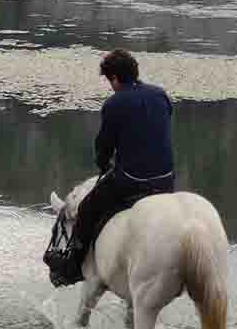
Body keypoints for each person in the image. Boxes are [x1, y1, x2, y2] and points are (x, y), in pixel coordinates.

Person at [48, 48, 175, 286]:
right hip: (166, 180)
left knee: (86, 209)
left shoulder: (114, 103)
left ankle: (72, 266)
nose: (110, 85)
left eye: (109, 80)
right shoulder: (161, 95)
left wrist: (103, 164)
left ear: (115, 78)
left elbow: (105, 144)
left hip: (132, 179)